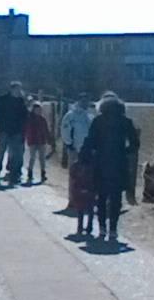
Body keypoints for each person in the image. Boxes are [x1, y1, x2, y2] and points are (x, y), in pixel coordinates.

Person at [80, 92, 140, 243]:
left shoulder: (98, 121)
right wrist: (126, 152)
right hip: (119, 163)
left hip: (100, 162)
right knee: (116, 198)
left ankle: (101, 228)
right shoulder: (126, 121)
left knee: (101, 197)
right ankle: (113, 229)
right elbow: (135, 143)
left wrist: (84, 158)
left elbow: (90, 141)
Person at [0, 81, 28, 186]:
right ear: (11, 89)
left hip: (16, 131)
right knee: (0, 152)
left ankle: (13, 174)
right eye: (16, 89)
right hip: (4, 130)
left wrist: (21, 127)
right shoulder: (2, 99)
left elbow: (25, 116)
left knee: (15, 154)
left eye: (19, 89)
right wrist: (3, 120)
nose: (18, 91)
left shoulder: (21, 101)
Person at [23, 101, 53, 184]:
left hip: (41, 141)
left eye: (39, 110)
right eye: (37, 109)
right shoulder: (30, 119)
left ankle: (43, 173)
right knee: (32, 157)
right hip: (32, 140)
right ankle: (30, 171)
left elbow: (46, 130)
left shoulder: (42, 120)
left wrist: (48, 139)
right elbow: (27, 130)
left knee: (42, 158)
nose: (38, 111)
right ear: (33, 110)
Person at [60, 93, 95, 161]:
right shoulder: (71, 115)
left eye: (87, 101)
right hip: (74, 148)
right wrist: (69, 143)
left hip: (86, 148)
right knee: (74, 169)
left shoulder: (90, 116)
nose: (85, 103)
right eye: (83, 101)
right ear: (78, 101)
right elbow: (65, 130)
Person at [69, 155, 96, 238]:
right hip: (91, 188)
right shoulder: (93, 165)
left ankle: (80, 227)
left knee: (80, 209)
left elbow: (72, 174)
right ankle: (89, 227)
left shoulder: (76, 165)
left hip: (79, 187)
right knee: (90, 208)